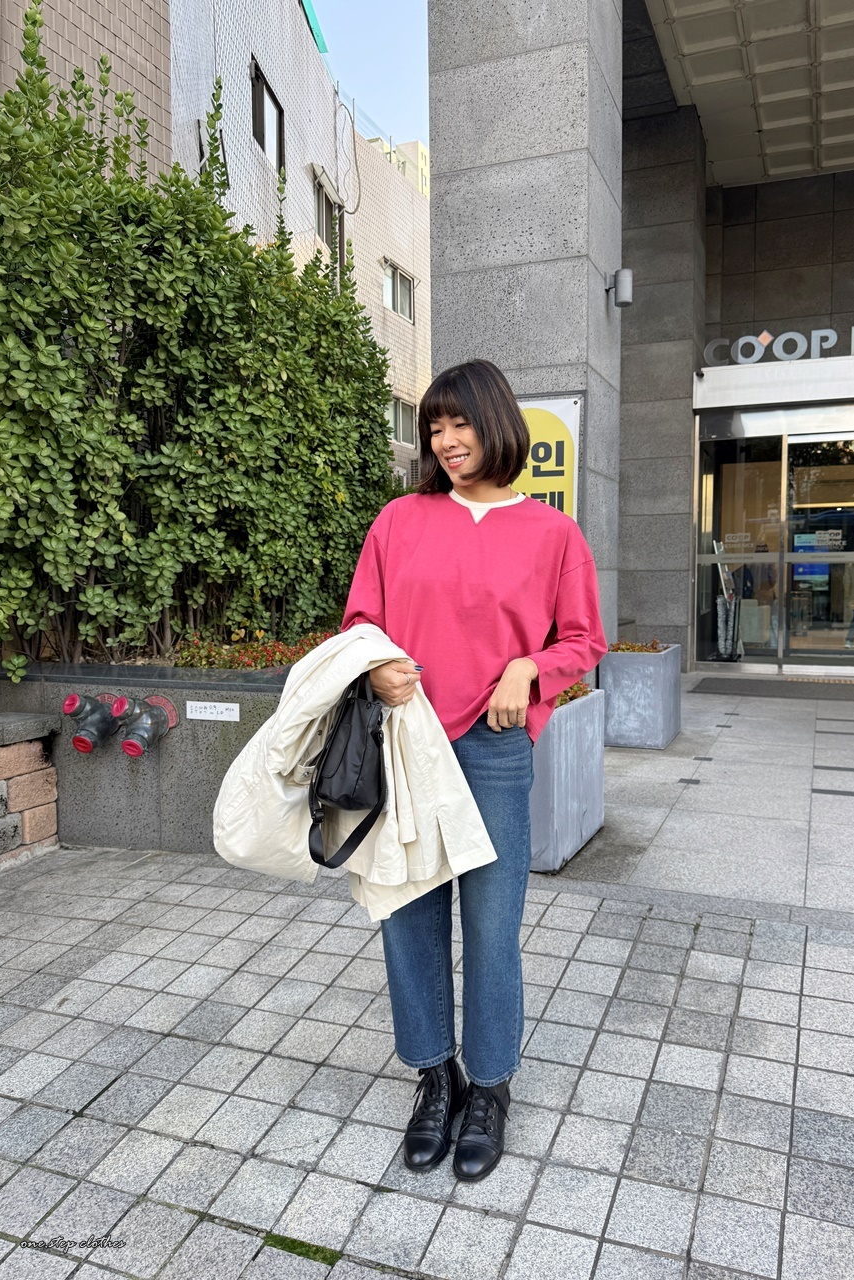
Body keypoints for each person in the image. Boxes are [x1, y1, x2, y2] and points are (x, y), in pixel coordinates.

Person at [340, 360, 607, 1181]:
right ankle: (436, 1077)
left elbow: (583, 641)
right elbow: (360, 623)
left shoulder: (553, 534)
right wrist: (377, 668)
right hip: (406, 742)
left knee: (492, 925)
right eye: (434, 427)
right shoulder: (398, 521)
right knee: (408, 915)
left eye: (459, 423)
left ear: (496, 423)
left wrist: (531, 669)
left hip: (493, 750)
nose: (446, 441)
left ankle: (490, 1086)